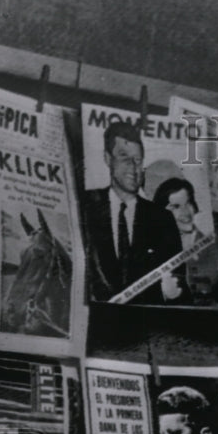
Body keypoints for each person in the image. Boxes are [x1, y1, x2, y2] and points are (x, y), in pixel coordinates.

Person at [82, 122, 187, 304]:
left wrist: (171, 292)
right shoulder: (85, 207)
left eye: (138, 160)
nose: (133, 167)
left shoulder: (162, 219)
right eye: (124, 157)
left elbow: (177, 280)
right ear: (108, 158)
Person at [152, 177, 218, 299]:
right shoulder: (154, 249)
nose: (186, 212)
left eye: (188, 203)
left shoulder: (212, 246)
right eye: (176, 207)